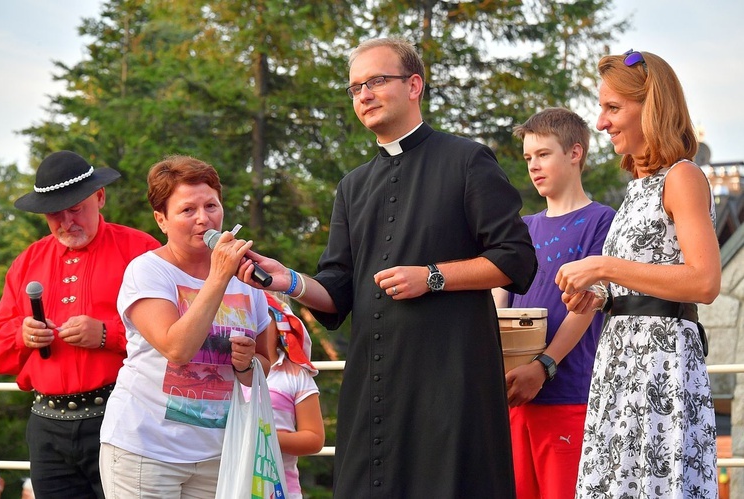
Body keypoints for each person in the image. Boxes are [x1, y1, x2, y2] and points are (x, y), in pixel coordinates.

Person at [242, 37, 537, 498]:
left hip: (452, 381)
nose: (364, 94)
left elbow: (516, 257)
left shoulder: (466, 160)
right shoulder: (352, 186)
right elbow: (338, 293)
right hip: (374, 387)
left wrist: (433, 277)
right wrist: (292, 282)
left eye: (377, 80)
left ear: (414, 84)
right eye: (356, 86)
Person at [555, 50, 720, 497]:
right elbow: (646, 276)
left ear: (653, 106)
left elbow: (704, 281)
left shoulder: (682, 176)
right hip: (621, 360)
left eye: (613, 108)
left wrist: (603, 266)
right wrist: (603, 297)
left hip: (660, 364)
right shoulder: (638, 188)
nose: (602, 122)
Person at [99, 155, 272, 498]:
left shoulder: (245, 278)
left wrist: (246, 364)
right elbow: (176, 349)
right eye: (187, 210)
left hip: (219, 452)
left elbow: (265, 363)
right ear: (161, 220)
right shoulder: (147, 271)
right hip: (145, 450)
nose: (203, 219)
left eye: (211, 205)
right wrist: (220, 275)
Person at [0, 151, 161, 499]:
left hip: (125, 418)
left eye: (76, 208)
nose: (67, 221)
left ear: (99, 198)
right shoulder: (26, 262)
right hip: (46, 428)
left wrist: (107, 334)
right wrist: (22, 336)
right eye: (55, 213)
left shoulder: (141, 251)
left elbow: (174, 338)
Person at [494, 107, 615, 499]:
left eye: (543, 154)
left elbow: (588, 307)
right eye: (529, 157)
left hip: (569, 395)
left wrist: (543, 366)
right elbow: (499, 301)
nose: (533, 165)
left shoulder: (603, 221)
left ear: (575, 153)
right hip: (512, 397)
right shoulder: (522, 227)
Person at [241, 292, 324, 499]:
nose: (252, 326)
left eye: (260, 318)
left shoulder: (295, 375)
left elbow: (314, 439)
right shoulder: (223, 371)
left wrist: (262, 438)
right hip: (227, 485)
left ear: (280, 326)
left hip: (281, 490)